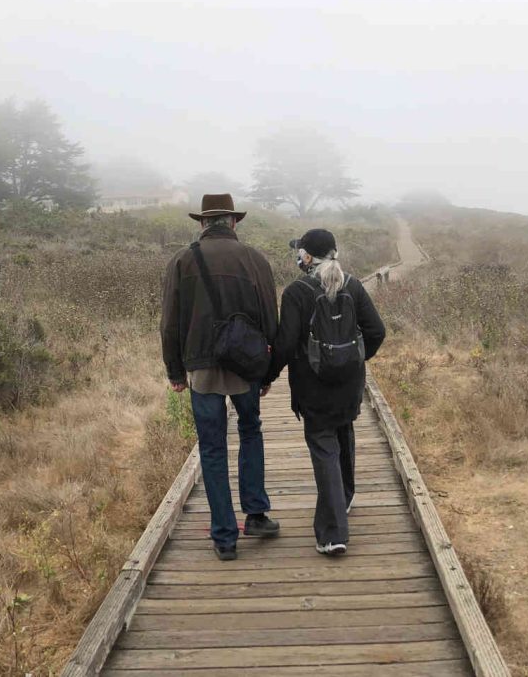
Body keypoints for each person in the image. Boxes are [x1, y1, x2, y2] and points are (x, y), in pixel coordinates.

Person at [161, 194, 281, 561]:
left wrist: (175, 371)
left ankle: (225, 538)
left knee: (212, 448)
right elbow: (271, 320)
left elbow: (169, 323)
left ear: (202, 224)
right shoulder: (256, 259)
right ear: (233, 222)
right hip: (245, 365)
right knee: (250, 431)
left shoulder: (182, 260)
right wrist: (267, 372)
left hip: (201, 367)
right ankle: (256, 515)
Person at [264, 229, 386, 555]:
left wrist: (268, 376)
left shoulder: (296, 292)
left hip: (313, 387)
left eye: (299, 252)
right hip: (349, 385)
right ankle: (344, 497)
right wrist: (355, 361)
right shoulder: (354, 285)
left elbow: (286, 345)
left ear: (306, 256)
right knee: (343, 432)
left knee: (324, 448)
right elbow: (377, 331)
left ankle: (332, 534)